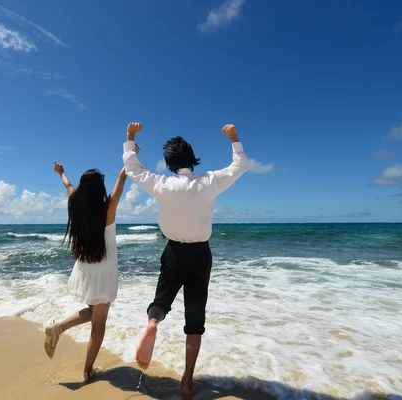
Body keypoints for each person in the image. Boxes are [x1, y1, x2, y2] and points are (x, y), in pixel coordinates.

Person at [122, 122, 249, 393]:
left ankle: (153, 323)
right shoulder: (209, 182)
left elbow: (133, 169)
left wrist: (130, 138)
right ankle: (187, 381)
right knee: (194, 320)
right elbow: (240, 166)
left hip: (174, 252)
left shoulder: (162, 184)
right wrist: (234, 138)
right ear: (192, 160)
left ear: (168, 163)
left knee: (161, 301)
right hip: (201, 254)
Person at [44, 161, 128, 382]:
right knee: (98, 323)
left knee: (93, 314)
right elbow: (120, 185)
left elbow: (68, 186)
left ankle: (58, 328)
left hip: (85, 267)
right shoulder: (107, 209)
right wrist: (127, 161)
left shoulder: (75, 204)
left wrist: (61, 172)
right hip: (104, 270)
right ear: (99, 190)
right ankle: (87, 371)